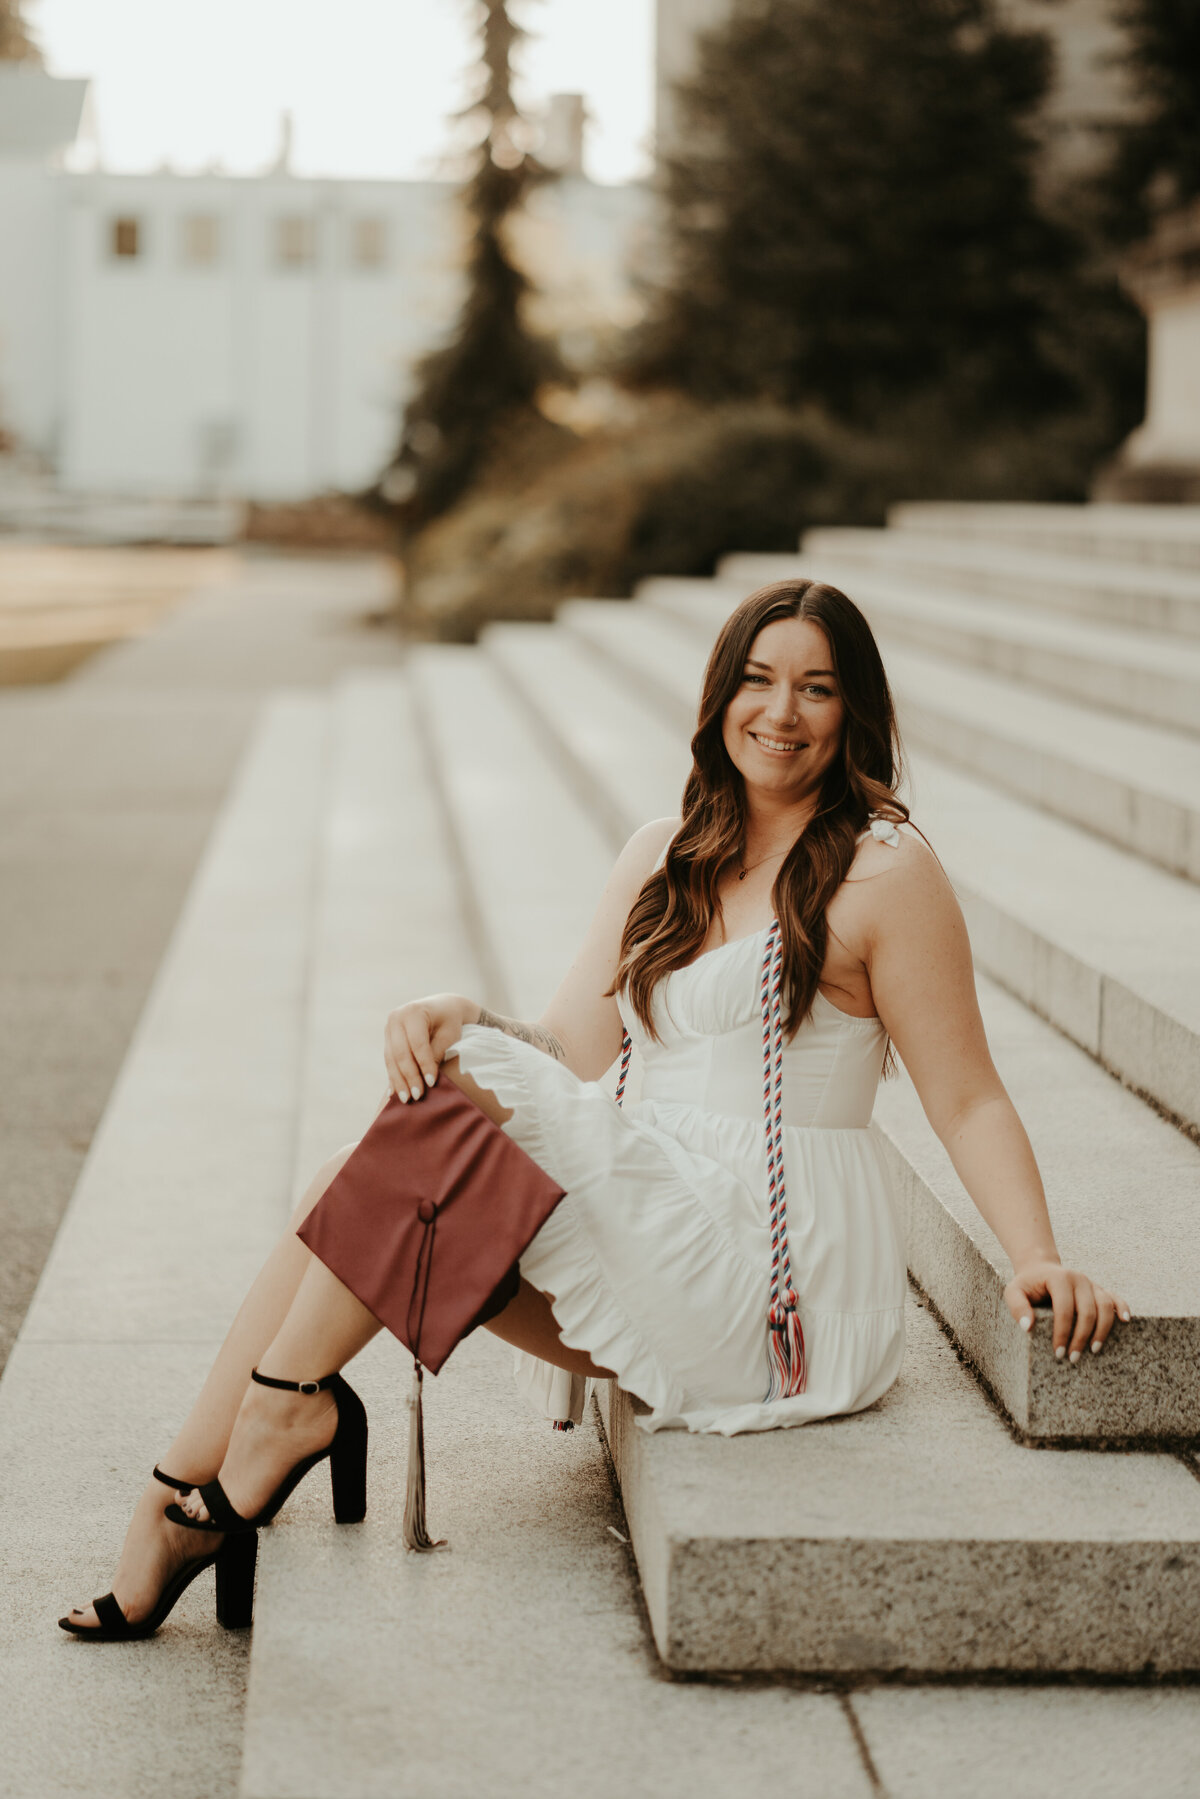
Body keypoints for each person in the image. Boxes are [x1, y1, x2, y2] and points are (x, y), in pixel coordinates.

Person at [61, 578, 1128, 1637]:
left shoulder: (883, 873)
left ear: (856, 712)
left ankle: (270, 1429)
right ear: (719, 698)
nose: (782, 712)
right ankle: (192, 1480)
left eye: (818, 688)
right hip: (654, 1201)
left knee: (419, 1143)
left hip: (770, 1264)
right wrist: (463, 1010)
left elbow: (969, 1092)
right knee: (368, 1164)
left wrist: (1034, 1252)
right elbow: (569, 1048)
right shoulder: (666, 851)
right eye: (757, 680)